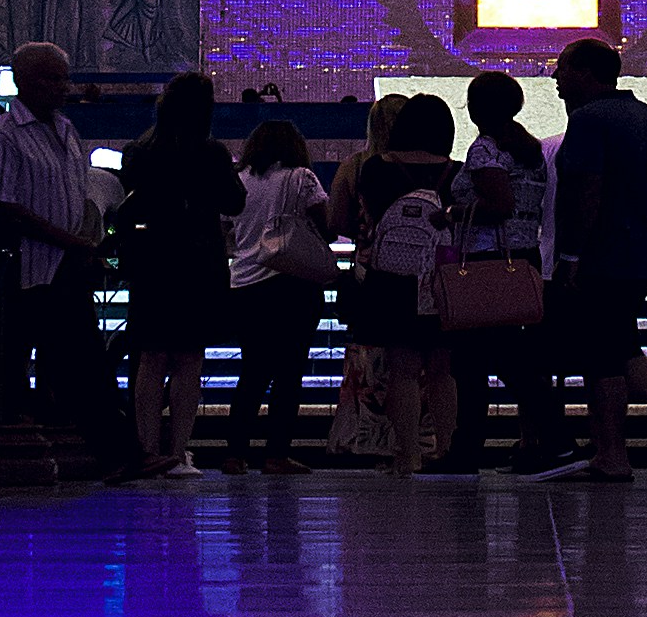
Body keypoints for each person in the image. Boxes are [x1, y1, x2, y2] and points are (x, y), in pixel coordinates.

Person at [541, 38, 647, 481]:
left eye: (563, 67)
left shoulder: (589, 120)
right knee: (614, 345)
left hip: (601, 254)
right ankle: (623, 446)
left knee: (607, 350)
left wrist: (570, 254)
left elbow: (587, 189)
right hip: (640, 251)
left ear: (585, 72)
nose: (555, 78)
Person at [435, 74, 566, 477]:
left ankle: (474, 449)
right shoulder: (529, 149)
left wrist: (451, 214)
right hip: (522, 258)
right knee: (506, 356)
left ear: (476, 107)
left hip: (486, 260)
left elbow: (498, 204)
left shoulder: (485, 149)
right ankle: (546, 440)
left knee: (478, 360)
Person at [0, 41, 116, 459]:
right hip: (30, 269)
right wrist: (66, 239)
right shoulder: (4, 135)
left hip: (67, 263)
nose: (64, 87)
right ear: (25, 82)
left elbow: (74, 194)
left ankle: (104, 448)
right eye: (53, 78)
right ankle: (107, 450)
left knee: (82, 358)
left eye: (65, 78)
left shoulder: (66, 130)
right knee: (46, 358)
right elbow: (3, 204)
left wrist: (84, 242)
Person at [114, 69, 240, 481]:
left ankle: (147, 450)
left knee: (150, 358)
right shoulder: (211, 152)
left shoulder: (141, 150)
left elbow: (130, 199)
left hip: (153, 261)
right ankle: (179, 451)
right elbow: (234, 202)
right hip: (198, 262)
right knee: (189, 359)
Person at [340, 93, 464, 478]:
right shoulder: (456, 172)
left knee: (403, 370)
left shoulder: (376, 169)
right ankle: (446, 449)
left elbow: (364, 218)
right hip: (441, 279)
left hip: (391, 279)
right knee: (443, 369)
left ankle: (408, 455)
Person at [222, 105, 337, 466]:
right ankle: (276, 454)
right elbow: (328, 228)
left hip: (244, 283)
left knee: (252, 371)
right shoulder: (301, 178)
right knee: (289, 372)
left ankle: (235, 453)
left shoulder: (238, 180)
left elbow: (225, 230)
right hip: (292, 283)